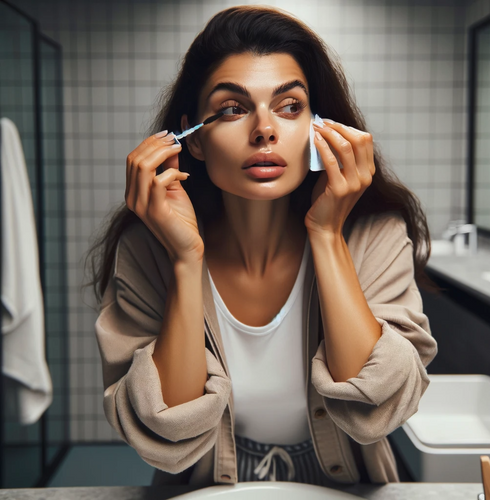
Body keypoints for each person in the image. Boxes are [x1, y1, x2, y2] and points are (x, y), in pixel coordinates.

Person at [84, 4, 438, 491]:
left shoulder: (373, 234)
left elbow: (376, 409)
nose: (265, 130)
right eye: (232, 108)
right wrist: (186, 262)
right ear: (196, 140)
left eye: (290, 106)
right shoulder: (146, 249)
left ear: (320, 127)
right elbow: (165, 432)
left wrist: (328, 235)